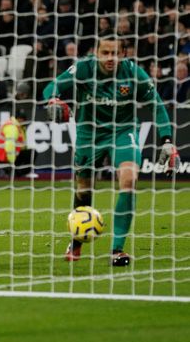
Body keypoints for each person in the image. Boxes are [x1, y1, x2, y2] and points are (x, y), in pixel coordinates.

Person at [44, 31, 181, 266]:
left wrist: (167, 140)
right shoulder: (84, 68)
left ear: (124, 54)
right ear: (96, 53)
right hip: (89, 134)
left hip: (122, 132)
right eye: (105, 52)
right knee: (84, 191)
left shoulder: (134, 74)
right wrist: (54, 100)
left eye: (115, 53)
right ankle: (77, 241)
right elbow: (52, 86)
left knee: (129, 180)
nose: (110, 57)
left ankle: (117, 249)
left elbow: (157, 105)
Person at [0, 110, 35, 178]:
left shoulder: (18, 127)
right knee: (31, 152)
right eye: (21, 118)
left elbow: (21, 145)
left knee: (30, 152)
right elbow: (9, 145)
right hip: (5, 157)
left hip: (9, 155)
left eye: (23, 119)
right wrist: (12, 161)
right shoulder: (12, 127)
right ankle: (11, 170)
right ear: (17, 118)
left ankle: (19, 172)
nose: (23, 120)